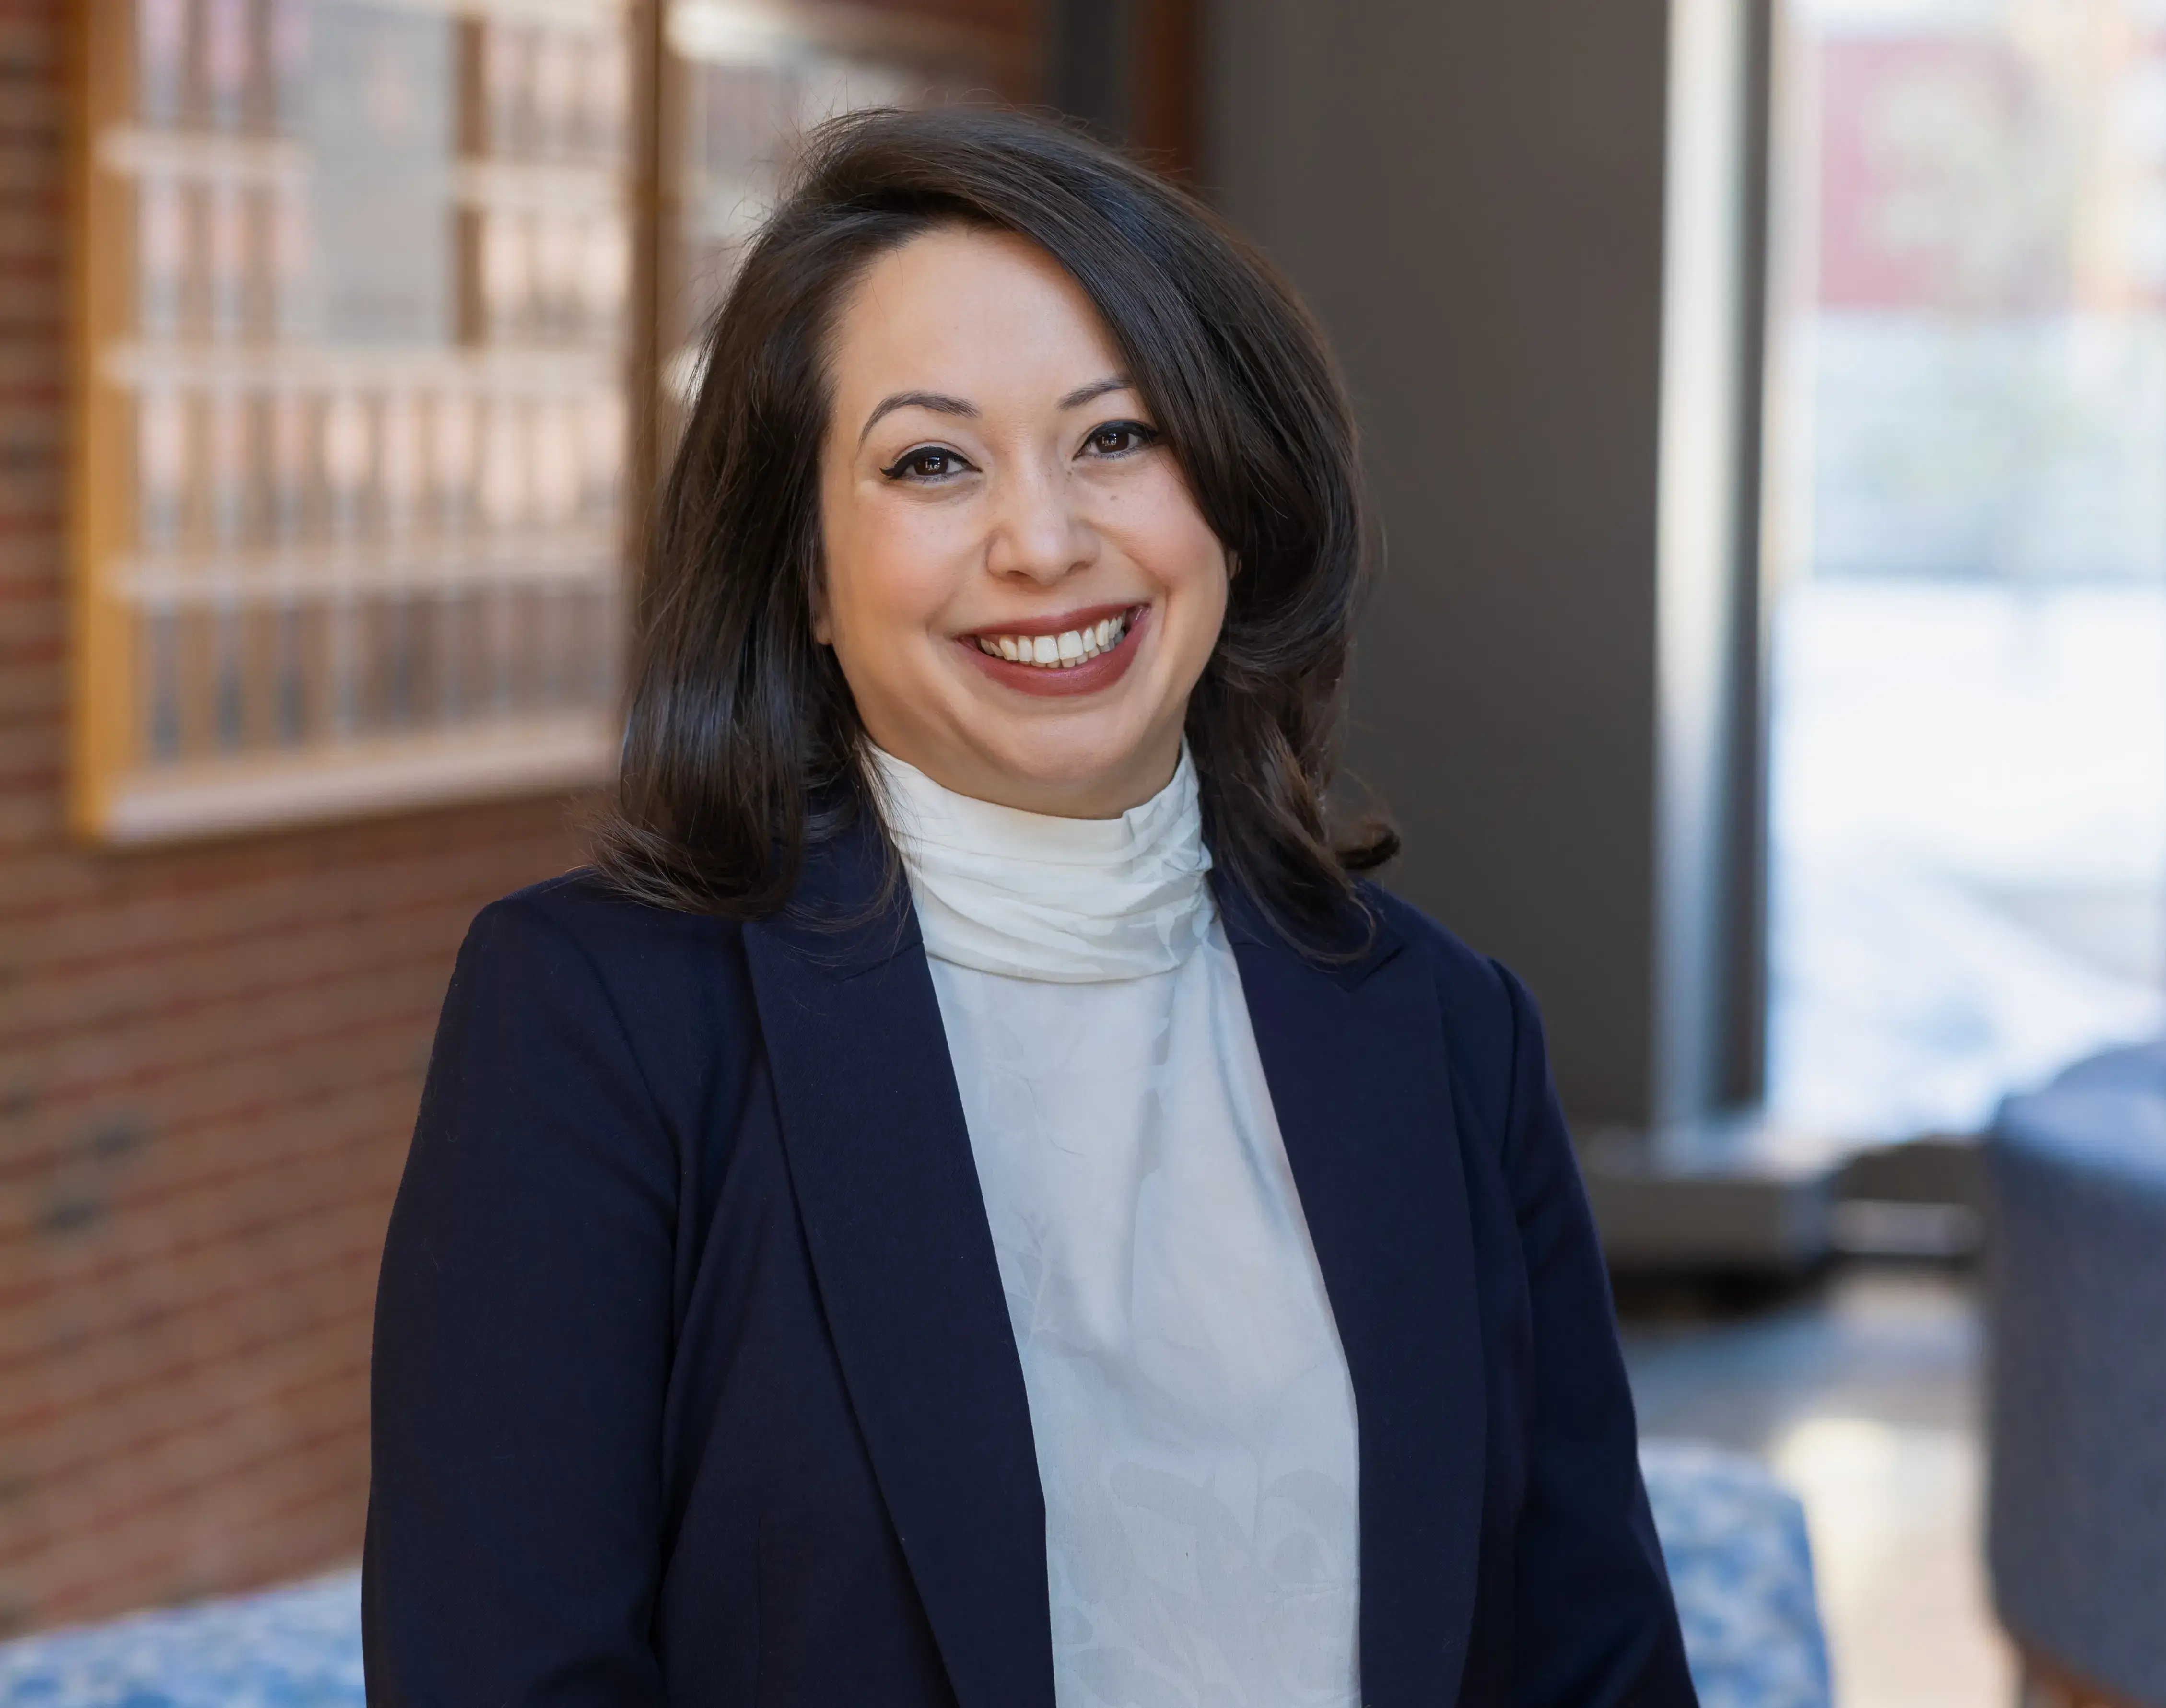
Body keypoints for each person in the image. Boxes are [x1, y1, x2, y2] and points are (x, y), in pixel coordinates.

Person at [362, 106, 1694, 1708]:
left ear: (1233, 500)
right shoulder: (600, 1020)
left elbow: (1590, 1664)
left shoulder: (1444, 1031)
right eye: (930, 462)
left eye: (1117, 437)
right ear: (802, 575)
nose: (1044, 541)